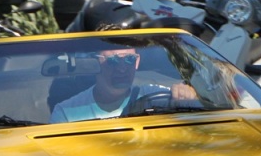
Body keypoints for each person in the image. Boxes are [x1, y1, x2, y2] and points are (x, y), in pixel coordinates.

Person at [50, 47, 194, 123]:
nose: (122, 68)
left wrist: (188, 94)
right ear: (95, 63)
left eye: (130, 59)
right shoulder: (66, 113)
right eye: (113, 61)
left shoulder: (158, 97)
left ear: (137, 62)